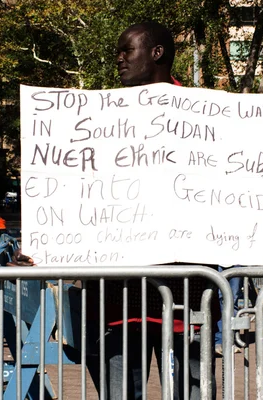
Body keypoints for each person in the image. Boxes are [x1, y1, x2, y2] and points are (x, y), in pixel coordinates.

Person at [85, 21, 216, 400]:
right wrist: (40, 252)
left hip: (187, 302)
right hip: (118, 304)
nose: (119, 59)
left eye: (127, 50)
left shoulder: (204, 115)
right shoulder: (98, 117)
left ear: (156, 53)